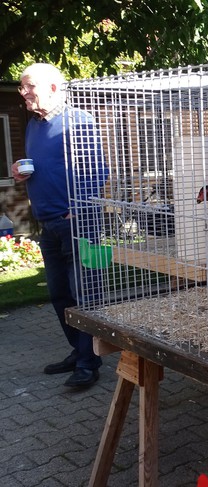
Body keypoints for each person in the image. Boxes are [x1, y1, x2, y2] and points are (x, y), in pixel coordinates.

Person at [12, 63, 109, 388]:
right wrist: (19, 171)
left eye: (29, 86)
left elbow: (98, 171)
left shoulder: (78, 122)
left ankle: (89, 362)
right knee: (59, 294)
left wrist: (76, 211)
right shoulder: (33, 126)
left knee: (85, 294)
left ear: (53, 88)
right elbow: (44, 167)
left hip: (77, 222)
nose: (23, 92)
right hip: (48, 222)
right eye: (21, 87)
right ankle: (79, 351)